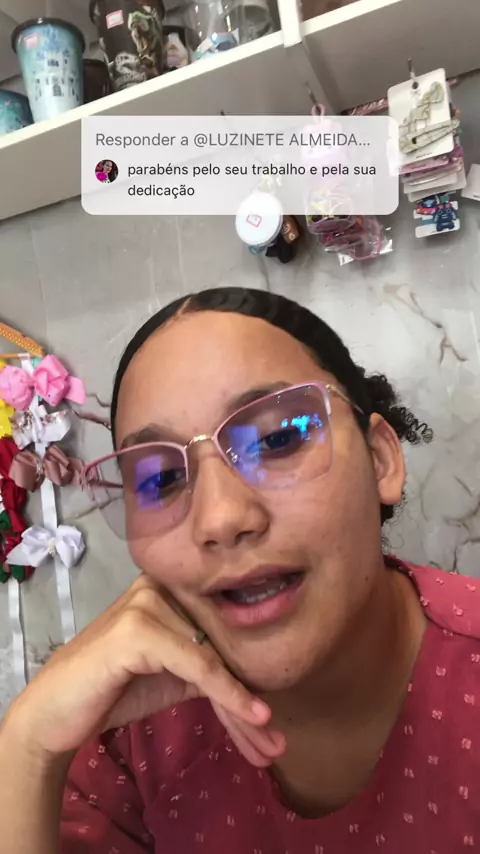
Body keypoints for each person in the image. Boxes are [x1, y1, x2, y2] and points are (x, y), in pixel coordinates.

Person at [1, 287, 479, 854]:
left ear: (380, 460)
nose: (221, 519)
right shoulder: (124, 739)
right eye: (160, 480)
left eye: (278, 439)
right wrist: (27, 748)